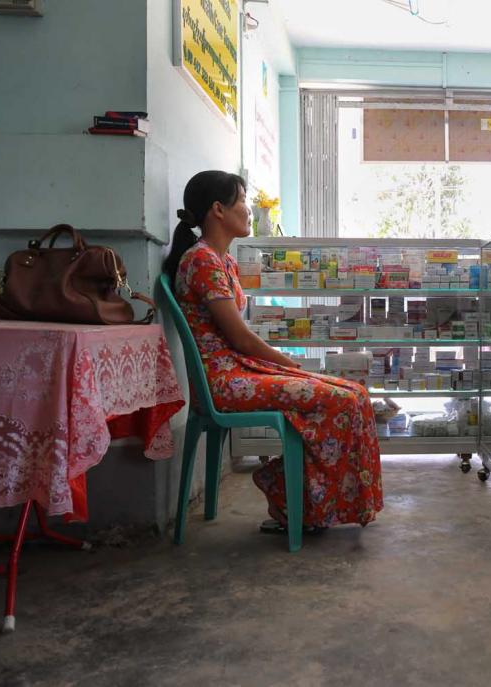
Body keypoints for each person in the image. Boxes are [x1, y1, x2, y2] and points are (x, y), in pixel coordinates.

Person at [162, 170, 383, 531]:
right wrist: (289, 365)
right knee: (341, 400)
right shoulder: (201, 261)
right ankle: (289, 498)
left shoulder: (223, 261)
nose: (249, 210)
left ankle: (301, 497)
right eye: (243, 200)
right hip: (224, 381)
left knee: (356, 393)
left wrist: (287, 366)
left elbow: (242, 341)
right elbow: (242, 339)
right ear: (218, 209)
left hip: (242, 370)